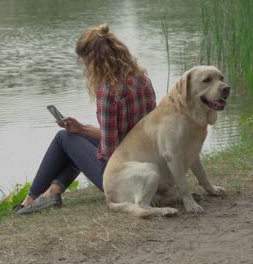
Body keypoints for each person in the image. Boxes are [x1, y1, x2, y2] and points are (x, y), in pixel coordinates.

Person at [16, 23, 156, 214]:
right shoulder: (142, 79)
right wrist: (82, 130)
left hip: (122, 181)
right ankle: (52, 193)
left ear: (96, 61)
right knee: (77, 137)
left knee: (64, 138)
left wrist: (86, 148)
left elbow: (109, 152)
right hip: (148, 167)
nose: (85, 69)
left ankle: (29, 201)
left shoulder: (108, 91)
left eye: (85, 62)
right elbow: (127, 135)